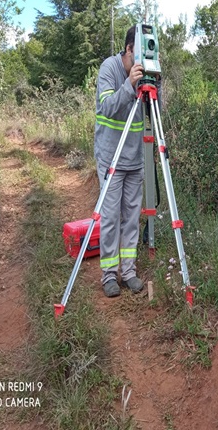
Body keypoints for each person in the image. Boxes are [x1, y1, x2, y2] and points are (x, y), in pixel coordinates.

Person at [94, 26, 149, 297]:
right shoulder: (109, 68)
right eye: (137, 56)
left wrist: (154, 86)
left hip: (134, 159)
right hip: (110, 158)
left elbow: (153, 112)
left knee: (130, 219)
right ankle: (108, 275)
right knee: (110, 218)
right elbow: (107, 107)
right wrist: (129, 85)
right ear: (129, 50)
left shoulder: (143, 73)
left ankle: (128, 272)